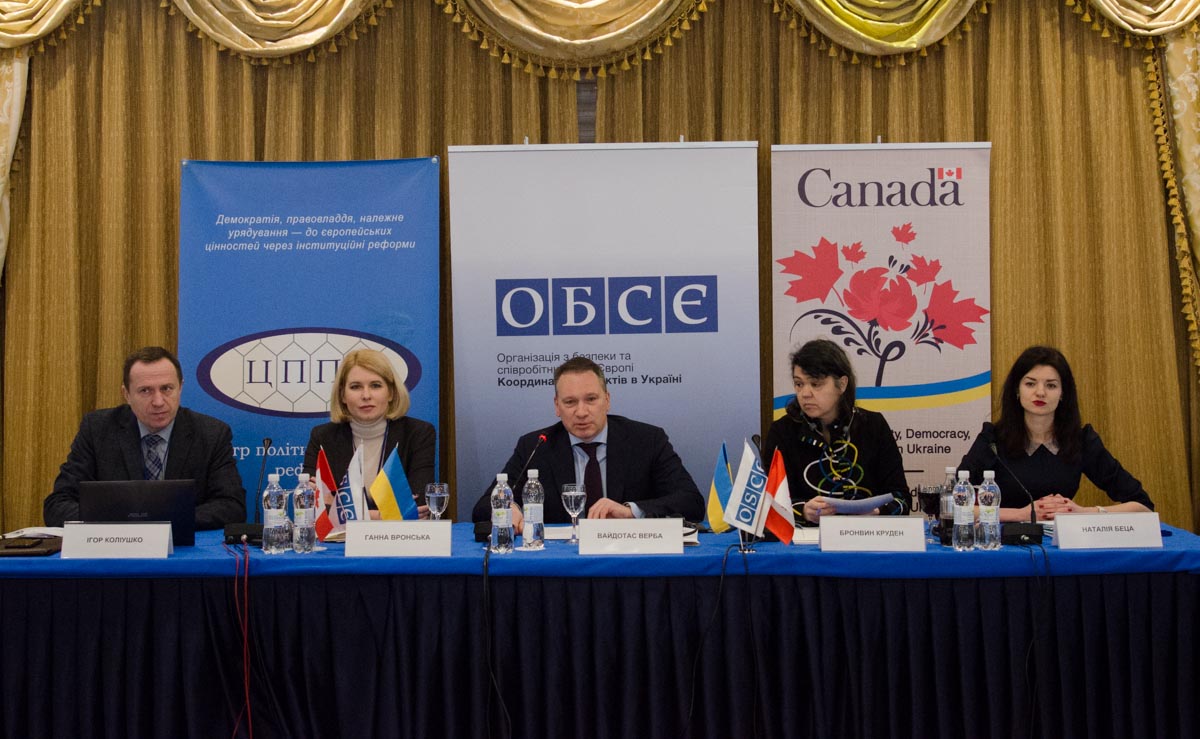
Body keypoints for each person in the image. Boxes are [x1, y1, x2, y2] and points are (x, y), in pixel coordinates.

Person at [471, 356, 704, 530]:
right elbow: (482, 507)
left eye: (591, 399)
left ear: (607, 400)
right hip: (560, 564)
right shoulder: (536, 445)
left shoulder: (647, 440)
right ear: (557, 406)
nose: (581, 412)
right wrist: (509, 509)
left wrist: (630, 512)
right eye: (570, 402)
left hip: (628, 559)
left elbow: (692, 502)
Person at [44, 346, 246, 529]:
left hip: (182, 551)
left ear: (180, 388)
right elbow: (57, 504)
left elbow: (232, 507)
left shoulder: (211, 434)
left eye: (166, 389)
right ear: (126, 394)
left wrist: (161, 520)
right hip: (117, 550)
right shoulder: (98, 430)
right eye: (145, 391)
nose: (158, 401)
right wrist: (122, 522)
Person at [958, 345, 1153, 520]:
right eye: (1030, 384)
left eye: (1051, 385)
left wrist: (1082, 512)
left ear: (1062, 394)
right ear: (1017, 390)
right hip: (1004, 543)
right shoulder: (992, 440)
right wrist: (1022, 514)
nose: (1040, 392)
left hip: (1061, 543)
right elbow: (952, 504)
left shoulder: (1081, 441)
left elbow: (1143, 506)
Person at [761, 339, 909, 524]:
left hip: (867, 533)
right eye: (799, 384)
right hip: (807, 538)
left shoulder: (873, 426)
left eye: (816, 384)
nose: (805, 393)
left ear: (842, 384)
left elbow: (902, 499)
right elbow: (769, 503)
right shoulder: (782, 431)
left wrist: (879, 512)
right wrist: (804, 511)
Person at [302, 349, 435, 518]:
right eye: (355, 387)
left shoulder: (418, 434)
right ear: (342, 395)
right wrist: (381, 516)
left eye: (375, 385)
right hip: (342, 536)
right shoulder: (323, 437)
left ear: (391, 392)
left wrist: (340, 508)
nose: (366, 395)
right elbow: (312, 504)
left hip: (400, 535)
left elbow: (419, 507)